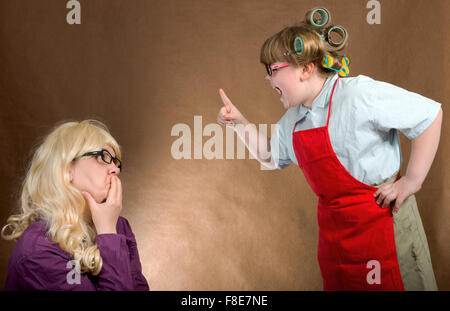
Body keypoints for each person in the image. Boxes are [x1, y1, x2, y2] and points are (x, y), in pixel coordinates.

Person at [216, 7, 442, 291]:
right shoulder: (292, 122)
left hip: (387, 229)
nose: (267, 78)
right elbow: (271, 156)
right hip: (338, 245)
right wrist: (239, 124)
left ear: (306, 69)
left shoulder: (359, 95)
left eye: (272, 69)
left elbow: (428, 115)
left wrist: (412, 181)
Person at [2, 120, 149, 290]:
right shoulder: (39, 251)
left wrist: (109, 231)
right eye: (103, 157)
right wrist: (108, 233)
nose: (115, 169)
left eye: (116, 162)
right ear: (66, 168)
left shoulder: (119, 226)